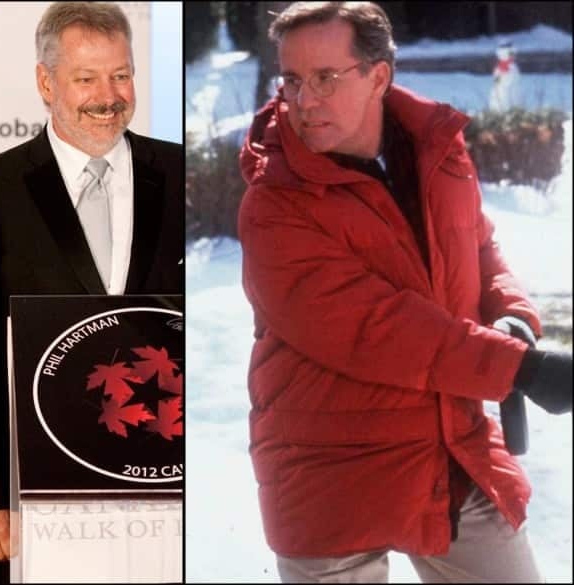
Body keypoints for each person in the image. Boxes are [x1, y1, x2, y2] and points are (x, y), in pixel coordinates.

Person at [237, 2, 572, 583]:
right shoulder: (273, 202)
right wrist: (520, 369)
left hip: (449, 448)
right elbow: (380, 329)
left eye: (324, 78)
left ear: (379, 76)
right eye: (291, 79)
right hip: (330, 469)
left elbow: (478, 247)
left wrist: (511, 313)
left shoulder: (436, 148)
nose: (303, 99)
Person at [0, 2, 182, 582]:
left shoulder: (179, 176)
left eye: (121, 75)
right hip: (37, 502)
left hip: (165, 491)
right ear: (46, 82)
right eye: (86, 78)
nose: (108, 94)